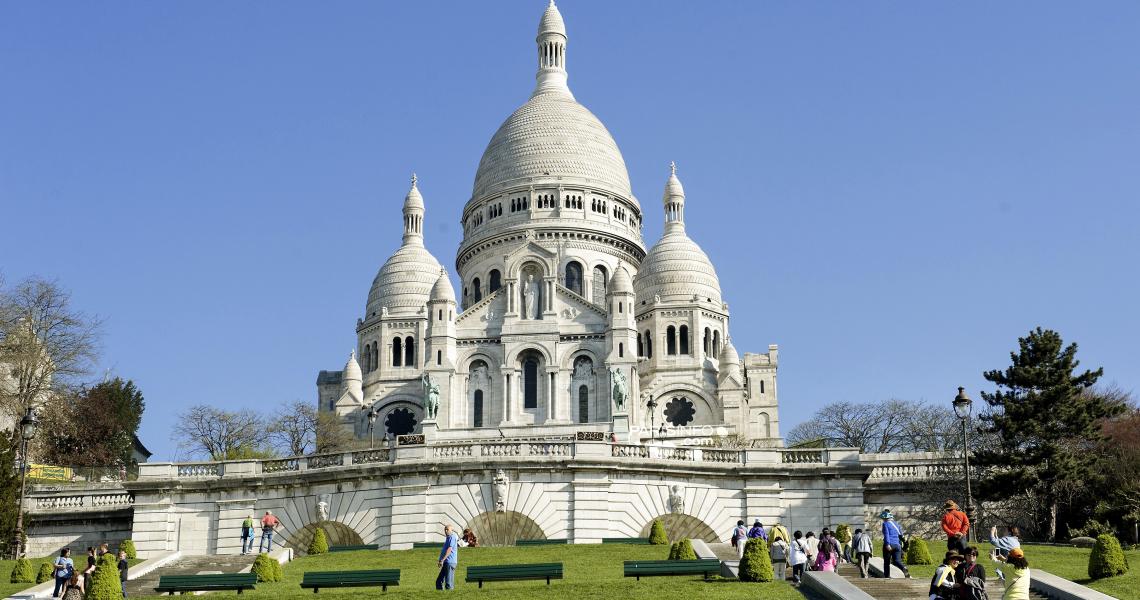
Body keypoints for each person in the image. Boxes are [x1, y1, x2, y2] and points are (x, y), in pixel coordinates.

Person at [880, 509, 911, 578]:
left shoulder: (885, 524)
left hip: (889, 544)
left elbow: (886, 534)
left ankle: (887, 577)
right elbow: (901, 534)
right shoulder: (896, 524)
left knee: (886, 562)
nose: (883, 519)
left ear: (885, 518)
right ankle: (904, 568)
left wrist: (887, 544)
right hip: (897, 545)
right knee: (897, 561)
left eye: (883, 518)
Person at [436, 524, 459, 591]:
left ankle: (449, 596)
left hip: (450, 562)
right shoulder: (448, 538)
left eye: (447, 529)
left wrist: (442, 560)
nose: (446, 531)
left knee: (448, 584)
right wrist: (441, 560)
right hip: (446, 562)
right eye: (445, 529)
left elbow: (449, 550)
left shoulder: (452, 537)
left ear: (452, 530)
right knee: (439, 582)